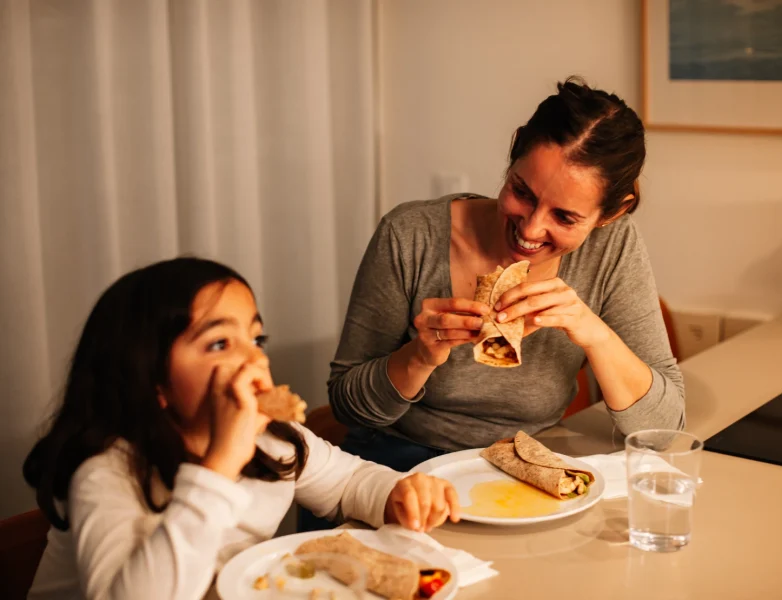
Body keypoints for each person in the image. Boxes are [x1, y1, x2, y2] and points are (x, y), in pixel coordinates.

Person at [23, 257, 460, 600]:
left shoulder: (271, 436)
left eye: (256, 339)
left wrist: (395, 493)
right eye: (219, 343)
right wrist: (219, 465)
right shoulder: (107, 472)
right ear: (152, 379)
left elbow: (348, 483)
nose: (255, 361)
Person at [329, 77, 685, 473]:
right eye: (522, 192)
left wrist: (592, 332)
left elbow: (663, 431)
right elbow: (349, 407)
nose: (530, 230)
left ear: (613, 214)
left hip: (526, 468)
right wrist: (419, 357)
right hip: (398, 465)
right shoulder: (410, 234)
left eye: (564, 217)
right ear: (514, 151)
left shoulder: (612, 249)